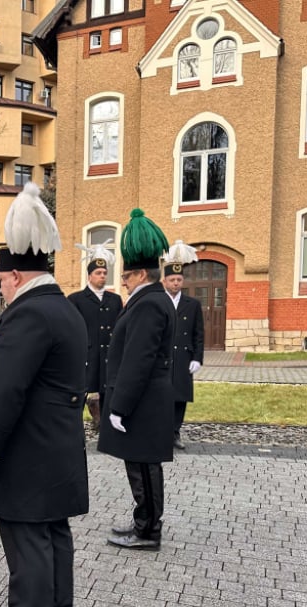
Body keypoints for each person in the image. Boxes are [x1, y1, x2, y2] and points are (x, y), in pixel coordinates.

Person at [0, 182, 89, 607]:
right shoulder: (64, 307)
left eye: (0, 280)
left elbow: (6, 388)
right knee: (53, 528)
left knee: (25, 534)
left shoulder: (30, 314)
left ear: (15, 274)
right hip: (56, 440)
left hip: (29, 445)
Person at [98, 209, 177, 550]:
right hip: (146, 398)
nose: (123, 282)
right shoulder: (152, 299)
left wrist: (120, 405)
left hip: (141, 400)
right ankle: (143, 522)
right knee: (142, 463)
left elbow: (138, 359)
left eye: (127, 276)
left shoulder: (147, 303)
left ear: (142, 273)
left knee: (143, 465)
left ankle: (147, 531)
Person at [68, 244, 123, 428]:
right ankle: (71, 423)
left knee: (107, 389)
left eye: (104, 273)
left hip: (108, 354)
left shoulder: (114, 300)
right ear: (89, 276)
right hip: (86, 353)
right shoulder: (76, 299)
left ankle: (106, 424)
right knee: (80, 390)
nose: (102, 276)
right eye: (98, 273)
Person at [162, 252, 204, 450]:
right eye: (172, 279)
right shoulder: (158, 301)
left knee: (179, 396)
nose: (176, 283)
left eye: (179, 279)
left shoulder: (192, 304)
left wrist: (197, 358)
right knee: (161, 395)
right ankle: (160, 432)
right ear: (164, 281)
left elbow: (199, 333)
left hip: (183, 357)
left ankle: (175, 433)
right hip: (163, 357)